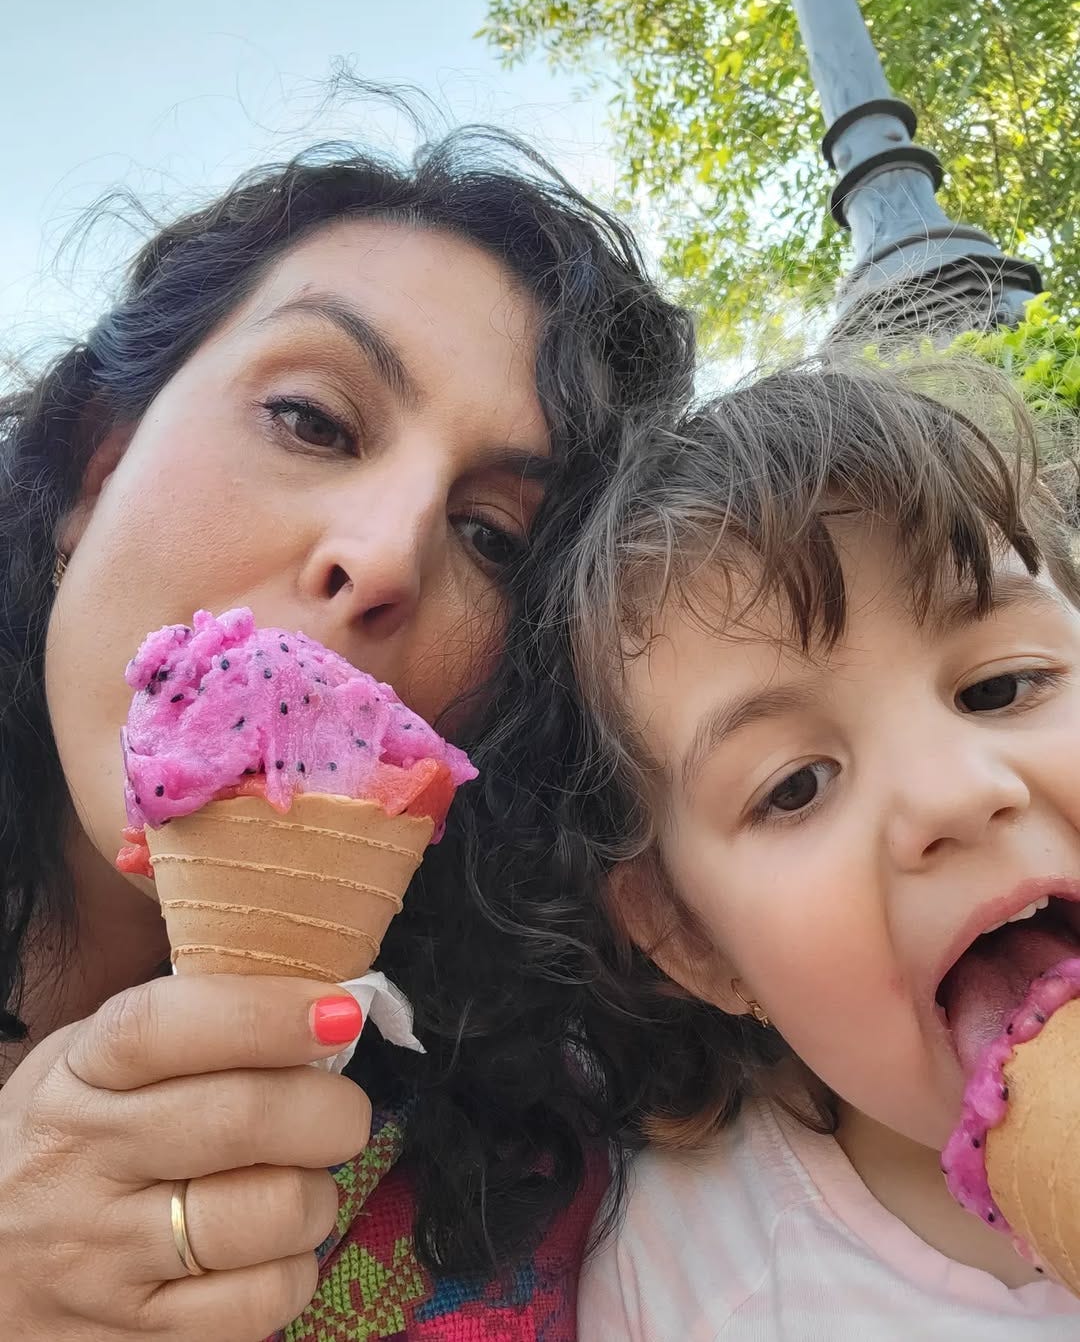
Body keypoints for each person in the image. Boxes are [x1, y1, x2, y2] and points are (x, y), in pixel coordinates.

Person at [0, 124, 694, 1340]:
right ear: (99, 473)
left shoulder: (536, 1198)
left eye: (494, 538)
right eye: (314, 419)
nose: (381, 556)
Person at [486, 358, 1080, 1337]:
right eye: (793, 788)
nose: (958, 795)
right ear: (695, 944)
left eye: (1005, 687)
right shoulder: (692, 1291)